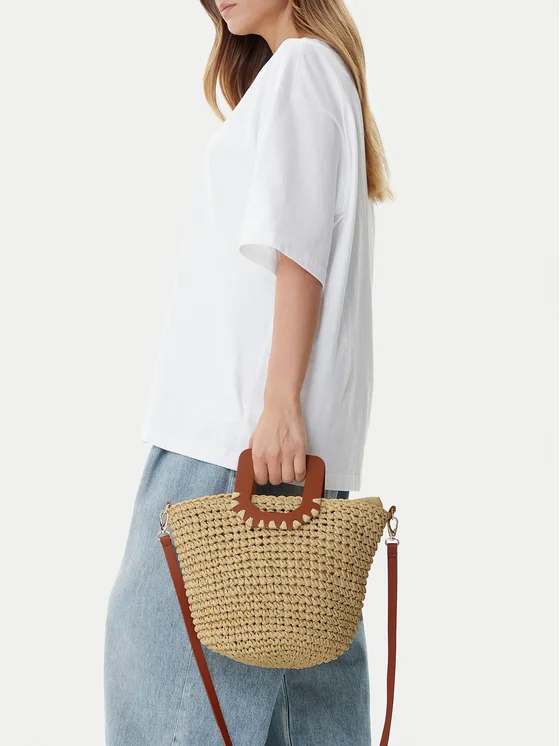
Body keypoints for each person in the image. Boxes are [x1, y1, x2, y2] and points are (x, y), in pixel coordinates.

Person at [104, 0, 392, 743]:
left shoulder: (302, 68)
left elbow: (298, 252)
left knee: (159, 685)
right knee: (307, 710)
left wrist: (279, 403)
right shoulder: (318, 75)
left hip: (229, 440)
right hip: (279, 448)